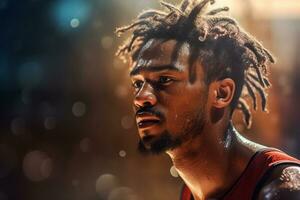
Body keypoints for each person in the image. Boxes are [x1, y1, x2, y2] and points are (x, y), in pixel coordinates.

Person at [115, 0, 300, 199]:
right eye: (137, 83)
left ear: (221, 93)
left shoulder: (282, 190)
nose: (141, 97)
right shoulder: (189, 193)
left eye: (165, 79)